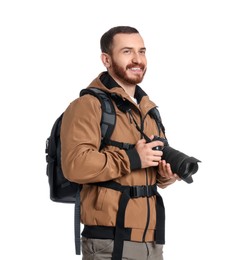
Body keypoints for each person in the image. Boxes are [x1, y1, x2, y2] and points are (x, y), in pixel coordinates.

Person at [60, 26, 180, 260]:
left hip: (151, 242)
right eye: (127, 51)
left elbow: (147, 172)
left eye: (142, 51)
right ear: (106, 59)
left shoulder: (148, 111)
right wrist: (133, 158)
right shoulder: (88, 105)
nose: (137, 59)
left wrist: (165, 175)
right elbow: (75, 165)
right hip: (109, 243)